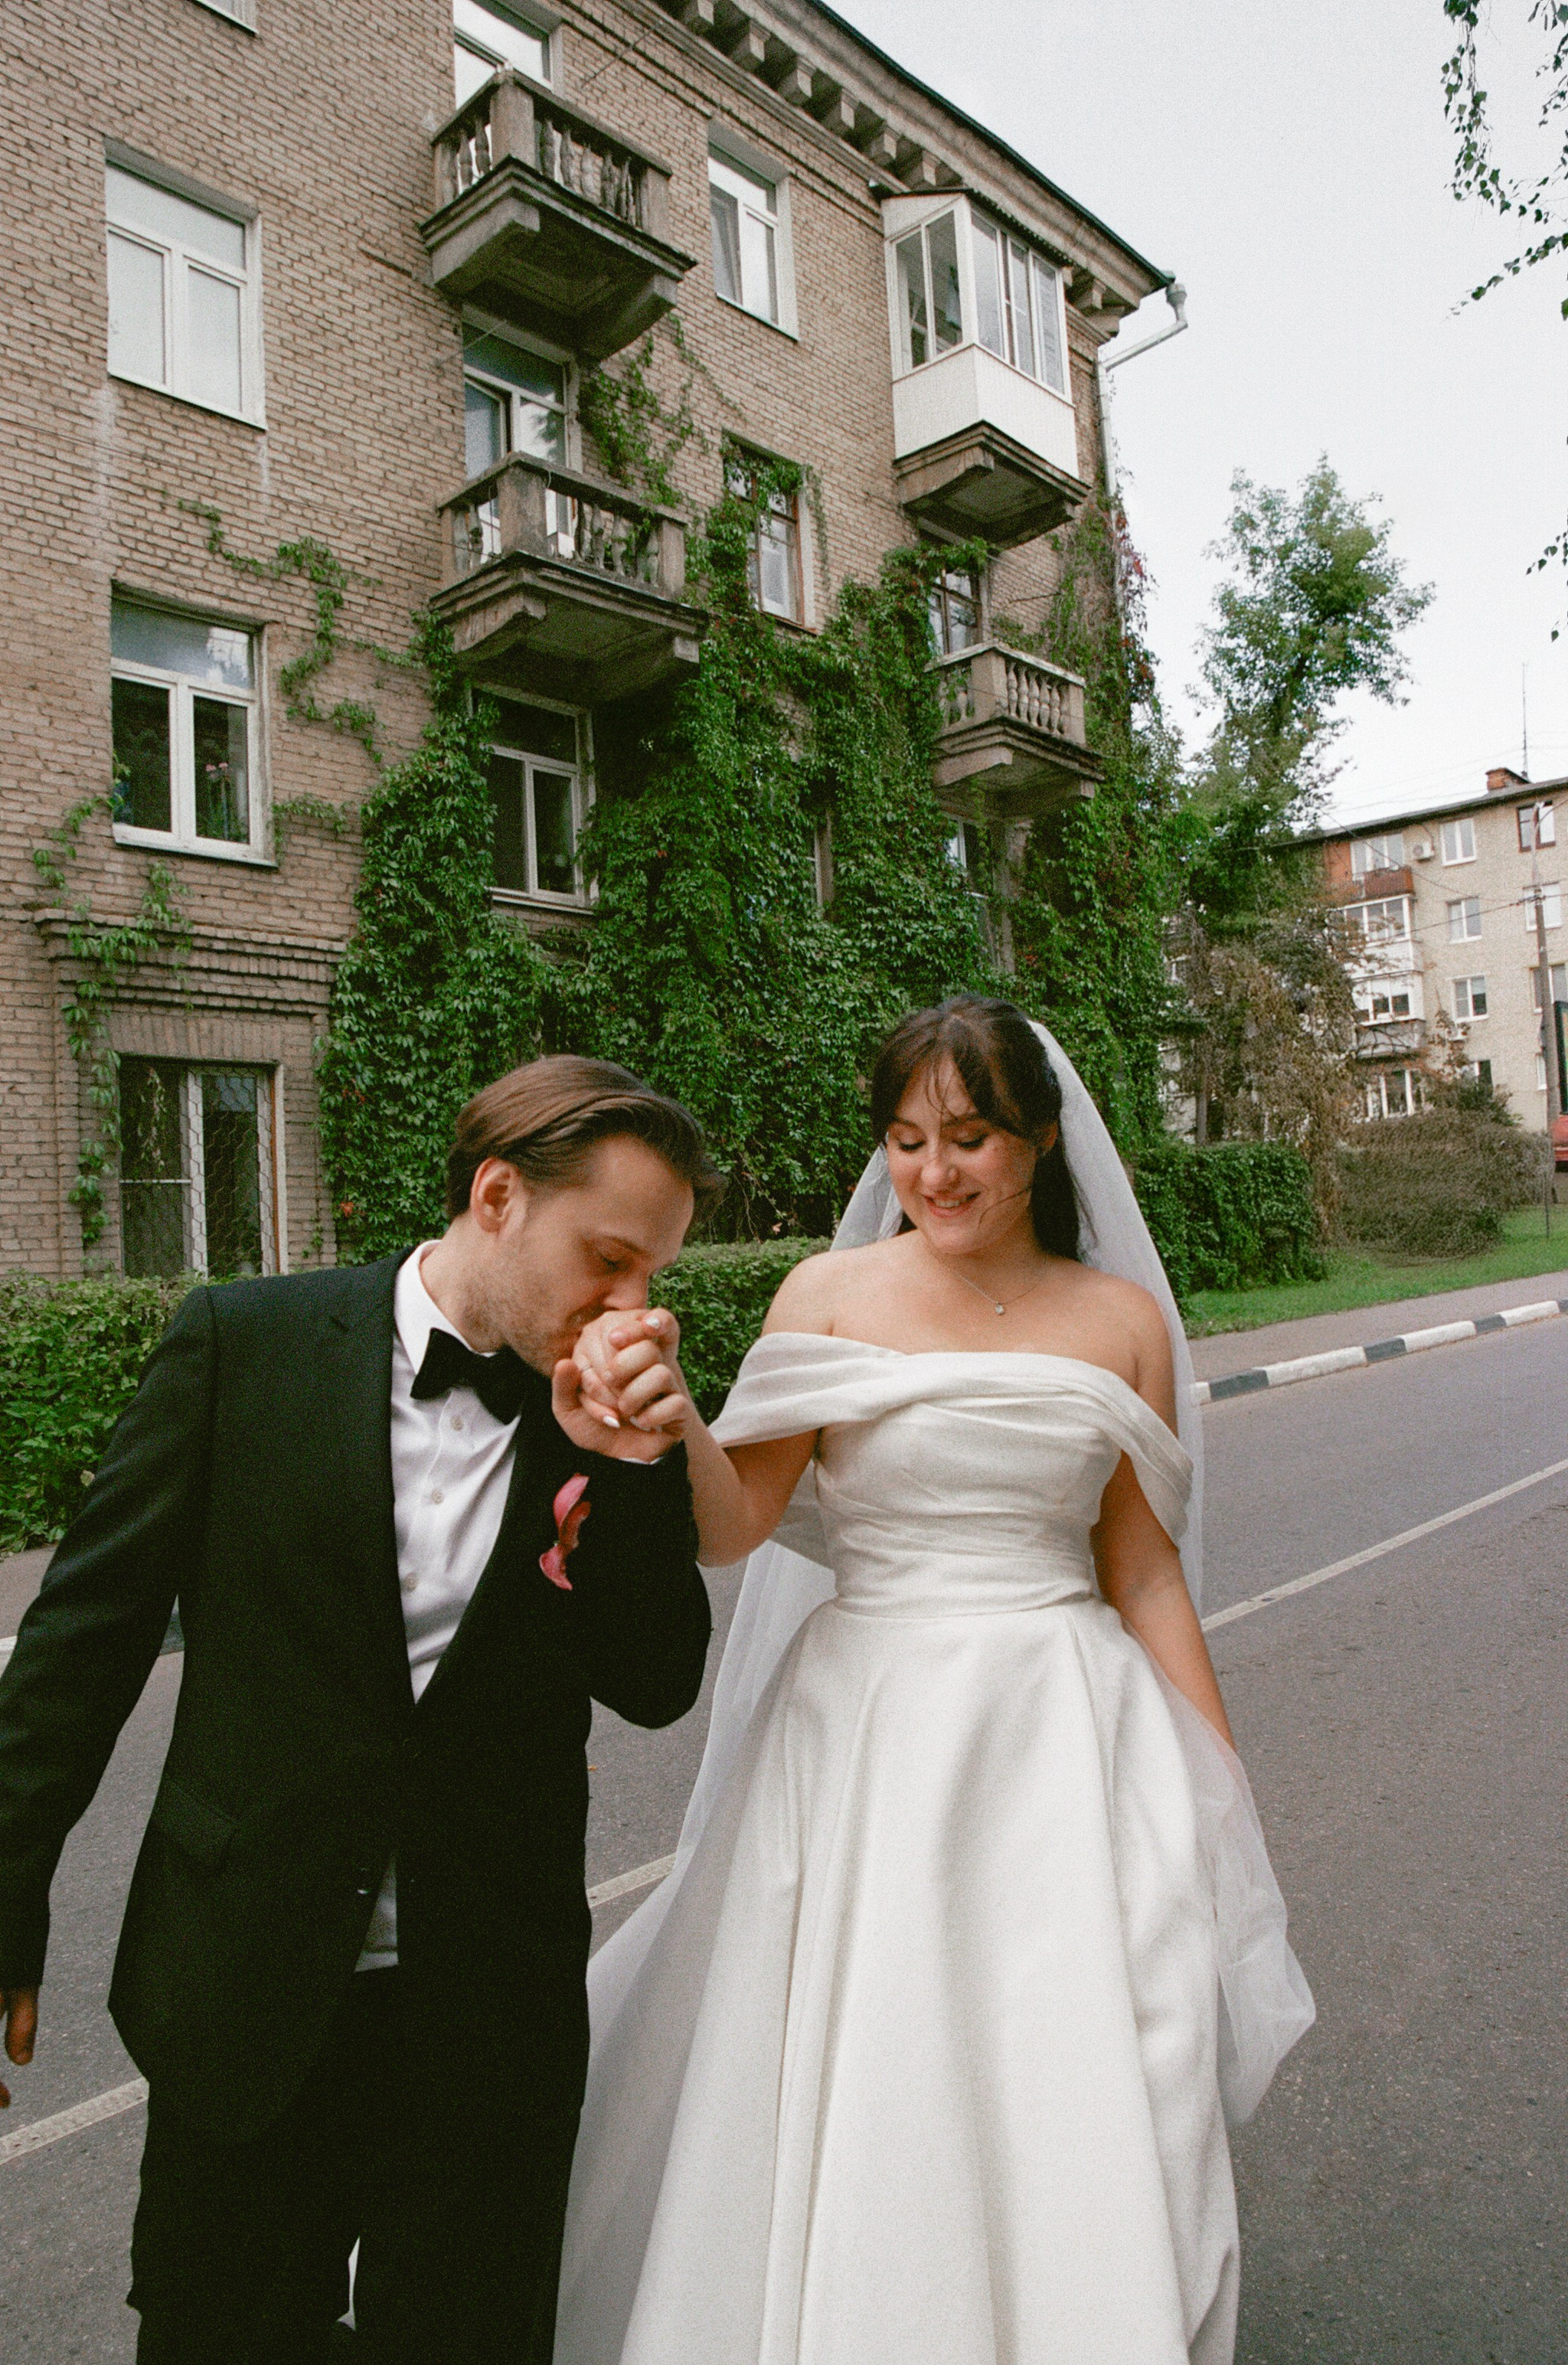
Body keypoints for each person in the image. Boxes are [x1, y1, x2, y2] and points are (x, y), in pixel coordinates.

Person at [554, 997, 1314, 2365]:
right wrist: (673, 1434)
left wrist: (1220, 1791)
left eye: (969, 1136)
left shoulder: (1122, 1321)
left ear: (1037, 1141)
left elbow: (1141, 1574)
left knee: (1091, 2065)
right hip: (872, 1736)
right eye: (907, 1140)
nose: (936, 1171)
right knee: (886, 2066)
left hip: (1066, 1739)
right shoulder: (827, 1296)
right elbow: (736, 1527)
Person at [0, 1055, 719, 2365]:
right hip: (245, 1979)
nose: (638, 1305)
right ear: (497, 1193)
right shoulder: (244, 1341)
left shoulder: (606, 1412)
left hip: (484, 2013)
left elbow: (659, 1681)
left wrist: (634, 1469)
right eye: (610, 1258)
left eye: (654, 1273)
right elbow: (76, 1649)